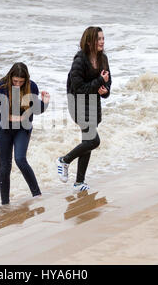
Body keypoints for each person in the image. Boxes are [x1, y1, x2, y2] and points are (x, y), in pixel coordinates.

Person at [0, 62, 50, 205]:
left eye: (21, 81)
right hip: (5, 130)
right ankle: (5, 203)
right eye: (15, 81)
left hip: (23, 128)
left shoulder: (31, 86)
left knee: (20, 159)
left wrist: (45, 102)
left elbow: (37, 109)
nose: (18, 84)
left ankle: (37, 194)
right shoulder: (2, 84)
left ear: (26, 80)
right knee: (5, 166)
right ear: (10, 77)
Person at [56, 26, 112, 192]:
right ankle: (64, 160)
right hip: (78, 102)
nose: (102, 42)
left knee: (87, 142)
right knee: (94, 141)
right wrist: (98, 83)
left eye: (103, 38)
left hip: (93, 103)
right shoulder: (79, 60)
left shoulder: (103, 58)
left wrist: (105, 90)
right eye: (98, 39)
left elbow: (108, 80)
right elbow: (78, 87)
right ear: (89, 42)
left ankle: (79, 182)